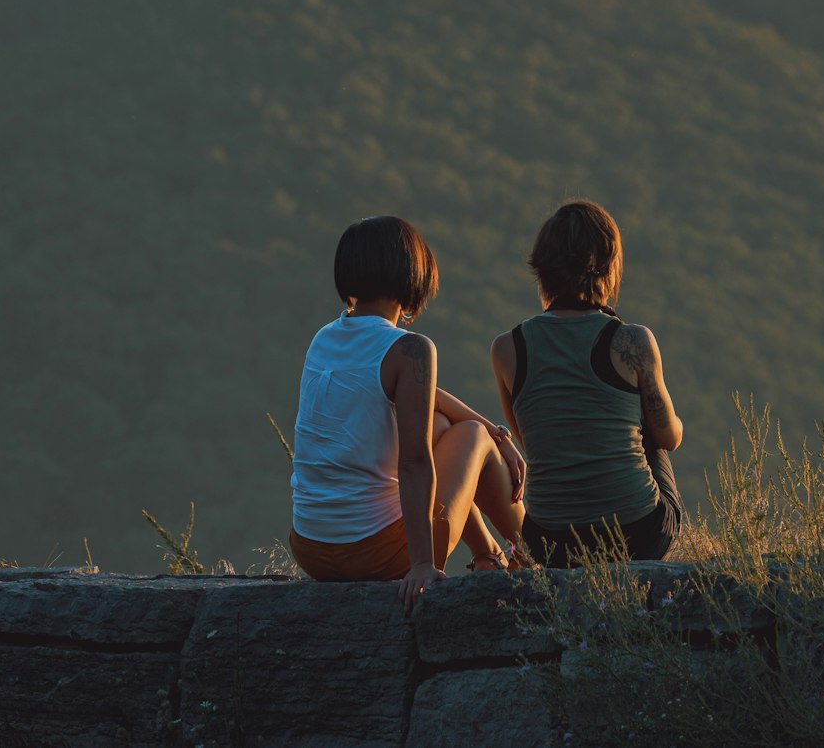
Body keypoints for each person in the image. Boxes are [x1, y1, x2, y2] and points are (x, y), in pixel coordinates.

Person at [290, 215, 526, 613]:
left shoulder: (325, 338)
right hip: (375, 554)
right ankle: (541, 550)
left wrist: (495, 429)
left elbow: (425, 395)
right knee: (469, 437)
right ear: (413, 277)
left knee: (441, 425)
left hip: (311, 548)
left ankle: (489, 556)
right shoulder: (411, 348)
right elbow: (415, 462)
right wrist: (421, 565)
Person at [490, 200, 683, 568]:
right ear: (608, 268)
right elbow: (670, 438)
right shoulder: (632, 341)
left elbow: (532, 441)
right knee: (649, 434)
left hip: (551, 542)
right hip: (637, 535)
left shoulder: (506, 348)